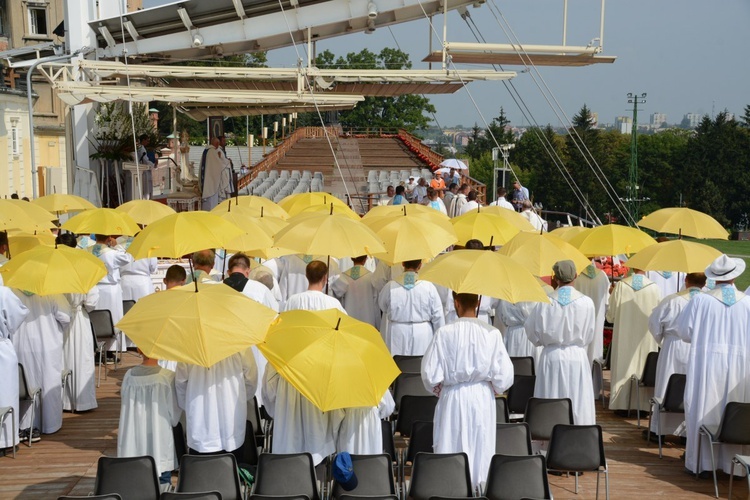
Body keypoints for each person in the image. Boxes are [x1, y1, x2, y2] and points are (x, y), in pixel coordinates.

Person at [422, 291, 514, 487]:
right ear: (479, 301)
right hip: (481, 397)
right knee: (481, 446)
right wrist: (490, 386)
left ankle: (451, 489)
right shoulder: (492, 333)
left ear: (456, 302)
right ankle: (480, 488)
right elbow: (505, 377)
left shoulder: (444, 333)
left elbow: (430, 375)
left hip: (453, 397)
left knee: (451, 443)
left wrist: (442, 389)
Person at [677, 255, 750, 475]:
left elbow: (684, 332)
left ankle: (702, 462)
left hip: (706, 365)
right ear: (735, 275)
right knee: (736, 409)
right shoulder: (747, 302)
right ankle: (734, 465)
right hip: (740, 365)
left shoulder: (700, 300)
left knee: (703, 408)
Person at [525, 260, 596, 426]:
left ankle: (547, 436)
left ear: (555, 278)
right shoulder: (586, 302)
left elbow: (530, 330)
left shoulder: (544, 301)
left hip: (552, 356)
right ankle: (578, 435)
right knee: (577, 400)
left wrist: (543, 341)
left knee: (550, 396)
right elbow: (590, 333)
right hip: (577, 356)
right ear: (576, 276)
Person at [647, 272, 706, 439]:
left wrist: (663, 341)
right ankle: (687, 433)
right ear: (704, 283)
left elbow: (654, 323)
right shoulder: (708, 302)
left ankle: (659, 430)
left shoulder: (672, 300)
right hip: (697, 348)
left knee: (665, 385)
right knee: (692, 387)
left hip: (673, 346)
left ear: (685, 280)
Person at [175, 348, 257, 462]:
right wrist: (239, 400)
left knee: (201, 473)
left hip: (200, 423)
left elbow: (180, 383)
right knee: (232, 473)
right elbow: (251, 378)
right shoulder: (240, 343)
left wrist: (190, 406)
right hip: (231, 420)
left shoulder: (190, 345)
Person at [118, 349, 182, 489]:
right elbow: (174, 413)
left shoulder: (128, 375)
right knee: (162, 474)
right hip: (159, 433)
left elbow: (125, 402)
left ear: (139, 350)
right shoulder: (167, 376)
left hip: (133, 432)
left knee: (135, 479)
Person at [12, 289, 70, 435]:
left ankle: (25, 424)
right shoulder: (52, 291)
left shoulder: (12, 291)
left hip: (20, 345)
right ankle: (50, 424)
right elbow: (65, 318)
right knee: (48, 383)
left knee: (25, 384)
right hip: (47, 344)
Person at [606, 268, 661, 413]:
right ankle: (642, 406)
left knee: (623, 364)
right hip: (646, 336)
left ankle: (621, 404)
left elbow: (610, 316)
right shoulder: (654, 288)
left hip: (624, 333)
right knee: (643, 365)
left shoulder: (622, 285)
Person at [56, 233, 99, 412]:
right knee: (82, 358)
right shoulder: (84, 269)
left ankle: (63, 400)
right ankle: (82, 401)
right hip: (79, 317)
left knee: (63, 357)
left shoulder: (54, 269)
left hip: (60, 318)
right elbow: (92, 301)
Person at [378, 259, 444, 355]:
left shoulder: (390, 286)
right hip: (422, 335)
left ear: (403, 263)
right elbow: (438, 316)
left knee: (398, 365)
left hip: (397, 334)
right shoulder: (429, 287)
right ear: (420, 265)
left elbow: (382, 305)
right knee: (420, 365)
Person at [86, 234, 133, 356]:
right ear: (108, 238)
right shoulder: (111, 253)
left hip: (94, 287)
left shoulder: (87, 251)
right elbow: (128, 258)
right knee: (112, 318)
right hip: (110, 289)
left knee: (97, 318)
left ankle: (96, 346)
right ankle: (110, 350)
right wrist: (117, 246)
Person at [0, 285, 28, 451]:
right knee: (5, 394)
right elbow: (17, 316)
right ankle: (5, 439)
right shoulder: (3, 292)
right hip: (2, 352)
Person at [574, 260, 611, 365]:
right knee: (595, 346)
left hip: (579, 318)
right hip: (597, 318)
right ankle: (594, 375)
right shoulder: (602, 276)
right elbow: (607, 303)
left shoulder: (576, 277)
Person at [331, 255, 379, 328]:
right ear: (366, 259)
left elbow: (340, 299)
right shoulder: (371, 277)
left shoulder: (343, 277)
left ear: (351, 258)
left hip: (348, 317)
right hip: (368, 319)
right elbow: (376, 302)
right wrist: (378, 324)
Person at [200, 136, 232, 211]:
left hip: (209, 177)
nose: (218, 145)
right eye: (218, 143)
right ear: (216, 143)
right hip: (212, 179)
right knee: (212, 200)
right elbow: (219, 165)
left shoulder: (207, 150)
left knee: (210, 197)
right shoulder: (212, 151)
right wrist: (227, 162)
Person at [135, 134, 155, 199]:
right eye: (147, 141)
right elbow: (145, 160)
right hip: (144, 170)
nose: (148, 142)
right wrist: (153, 165)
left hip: (144, 169)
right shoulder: (141, 148)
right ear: (143, 140)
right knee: (146, 189)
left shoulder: (140, 147)